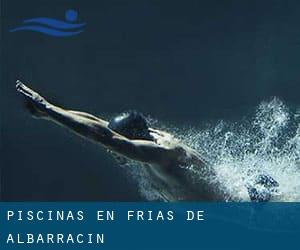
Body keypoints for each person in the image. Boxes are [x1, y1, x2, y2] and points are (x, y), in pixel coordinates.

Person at [15, 80, 277, 201]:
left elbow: (105, 137)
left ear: (132, 140)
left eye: (115, 146)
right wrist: (51, 113)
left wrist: (48, 109)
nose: (111, 151)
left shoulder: (162, 154)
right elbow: (99, 126)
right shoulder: (146, 139)